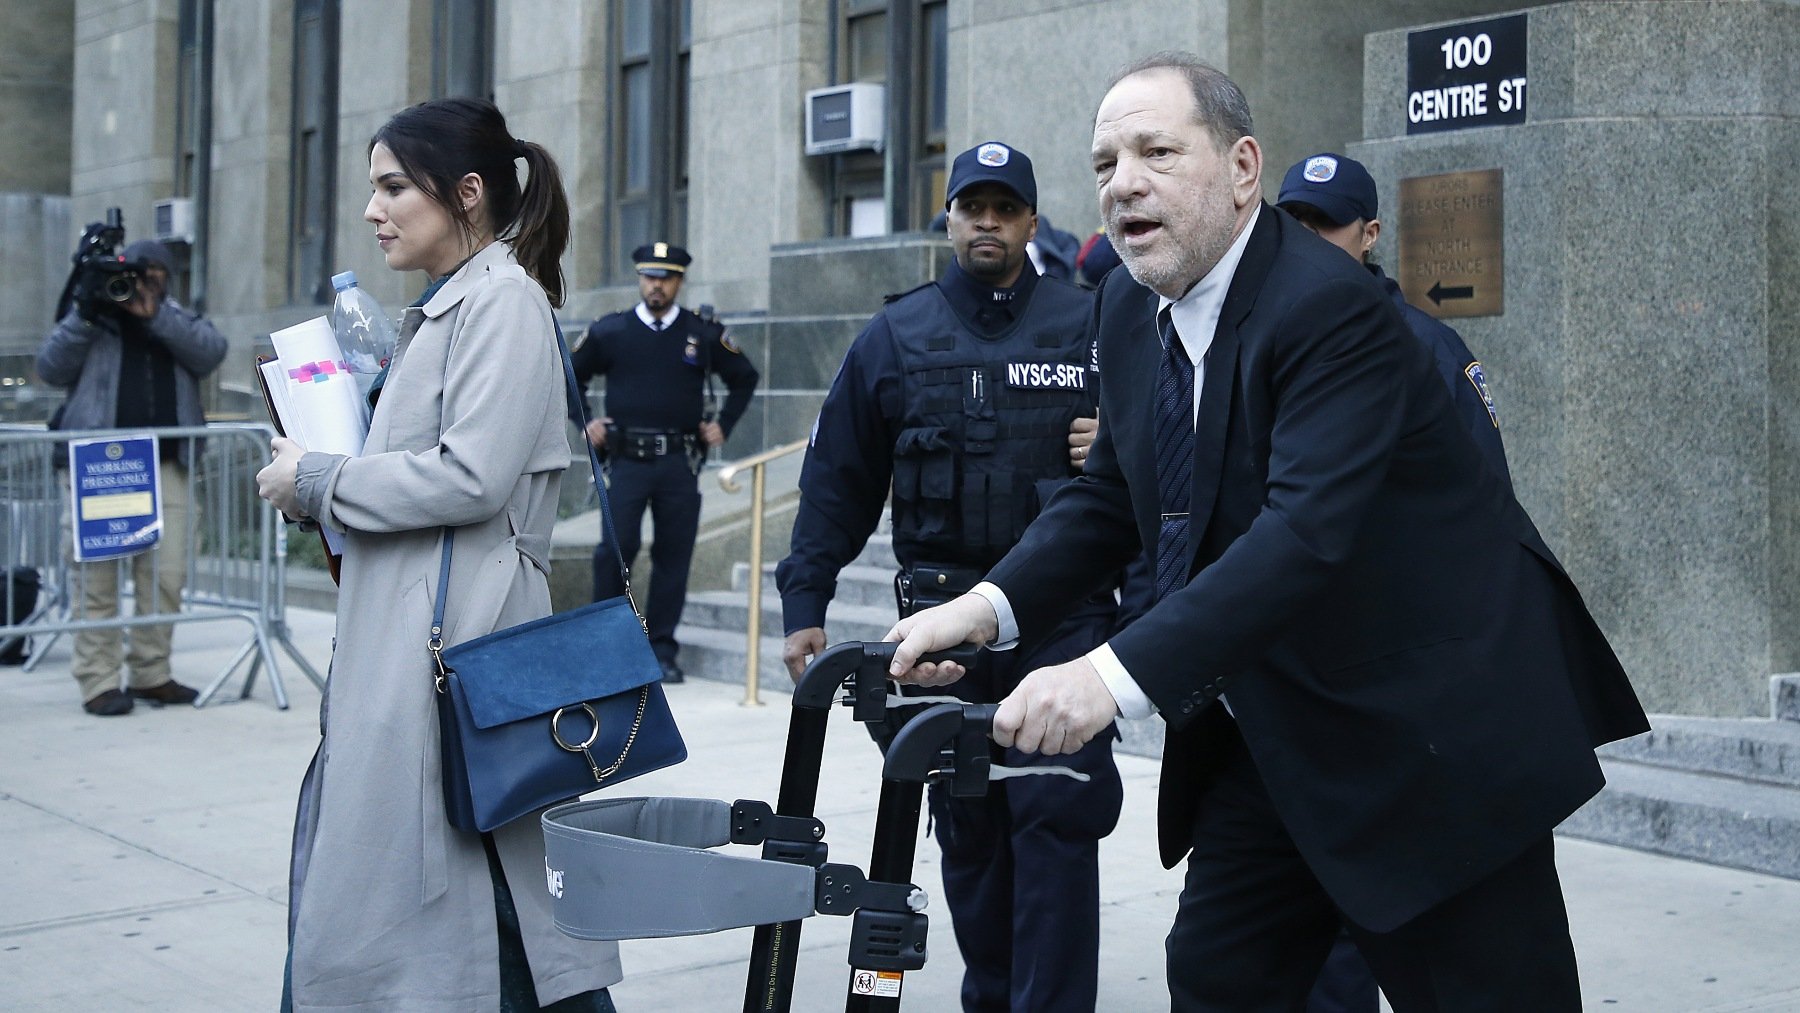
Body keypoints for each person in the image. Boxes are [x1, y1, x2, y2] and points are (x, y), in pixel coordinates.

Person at [887, 53, 1650, 1012]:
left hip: (1431, 742)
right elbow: (1112, 497)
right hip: (1272, 734)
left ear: (1244, 168)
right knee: (1219, 976)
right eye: (1105, 162)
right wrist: (986, 608)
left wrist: (1105, 678)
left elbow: (1304, 536)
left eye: (1158, 151)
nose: (1124, 182)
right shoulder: (1127, 304)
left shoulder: (1332, 310)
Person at [256, 96, 621, 1011]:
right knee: (483, 919)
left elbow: (469, 479)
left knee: (487, 921)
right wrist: (334, 492)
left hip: (456, 661)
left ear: (466, 193)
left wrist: (320, 481)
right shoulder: (456, 305)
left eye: (391, 187)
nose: (374, 210)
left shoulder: (501, 301)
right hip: (422, 655)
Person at [777, 140, 1122, 1013]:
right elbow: (836, 480)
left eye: (1006, 209)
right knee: (969, 831)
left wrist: (1108, 440)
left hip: (1060, 622)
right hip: (939, 627)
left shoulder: (1094, 322)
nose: (988, 223)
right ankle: (994, 996)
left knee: (1055, 818)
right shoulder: (897, 335)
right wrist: (804, 601)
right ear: (950, 219)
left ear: (1032, 224)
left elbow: (1159, 453)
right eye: (974, 207)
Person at [37, 238, 226, 716]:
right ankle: (98, 680)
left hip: (167, 466)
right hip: (99, 468)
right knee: (95, 579)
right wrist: (85, 311)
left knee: (166, 576)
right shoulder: (92, 319)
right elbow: (50, 367)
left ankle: (151, 673)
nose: (143, 282)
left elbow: (211, 352)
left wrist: (154, 314)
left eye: (156, 273)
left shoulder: (175, 316)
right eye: (138, 273)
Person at [570, 243, 758, 683]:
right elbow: (569, 371)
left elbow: (745, 377)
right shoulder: (611, 331)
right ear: (640, 279)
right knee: (615, 553)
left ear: (679, 282)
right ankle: (609, 649)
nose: (657, 285)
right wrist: (586, 420)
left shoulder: (702, 333)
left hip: (678, 462)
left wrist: (724, 424)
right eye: (650, 276)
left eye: (666, 277)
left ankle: (660, 651)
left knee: (674, 557)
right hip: (627, 461)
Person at [1276, 152, 1511, 487]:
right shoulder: (1258, 334)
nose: (1306, 235)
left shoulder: (1430, 347)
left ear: (1369, 235)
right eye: (1292, 219)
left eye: (1323, 220)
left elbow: (1487, 493)